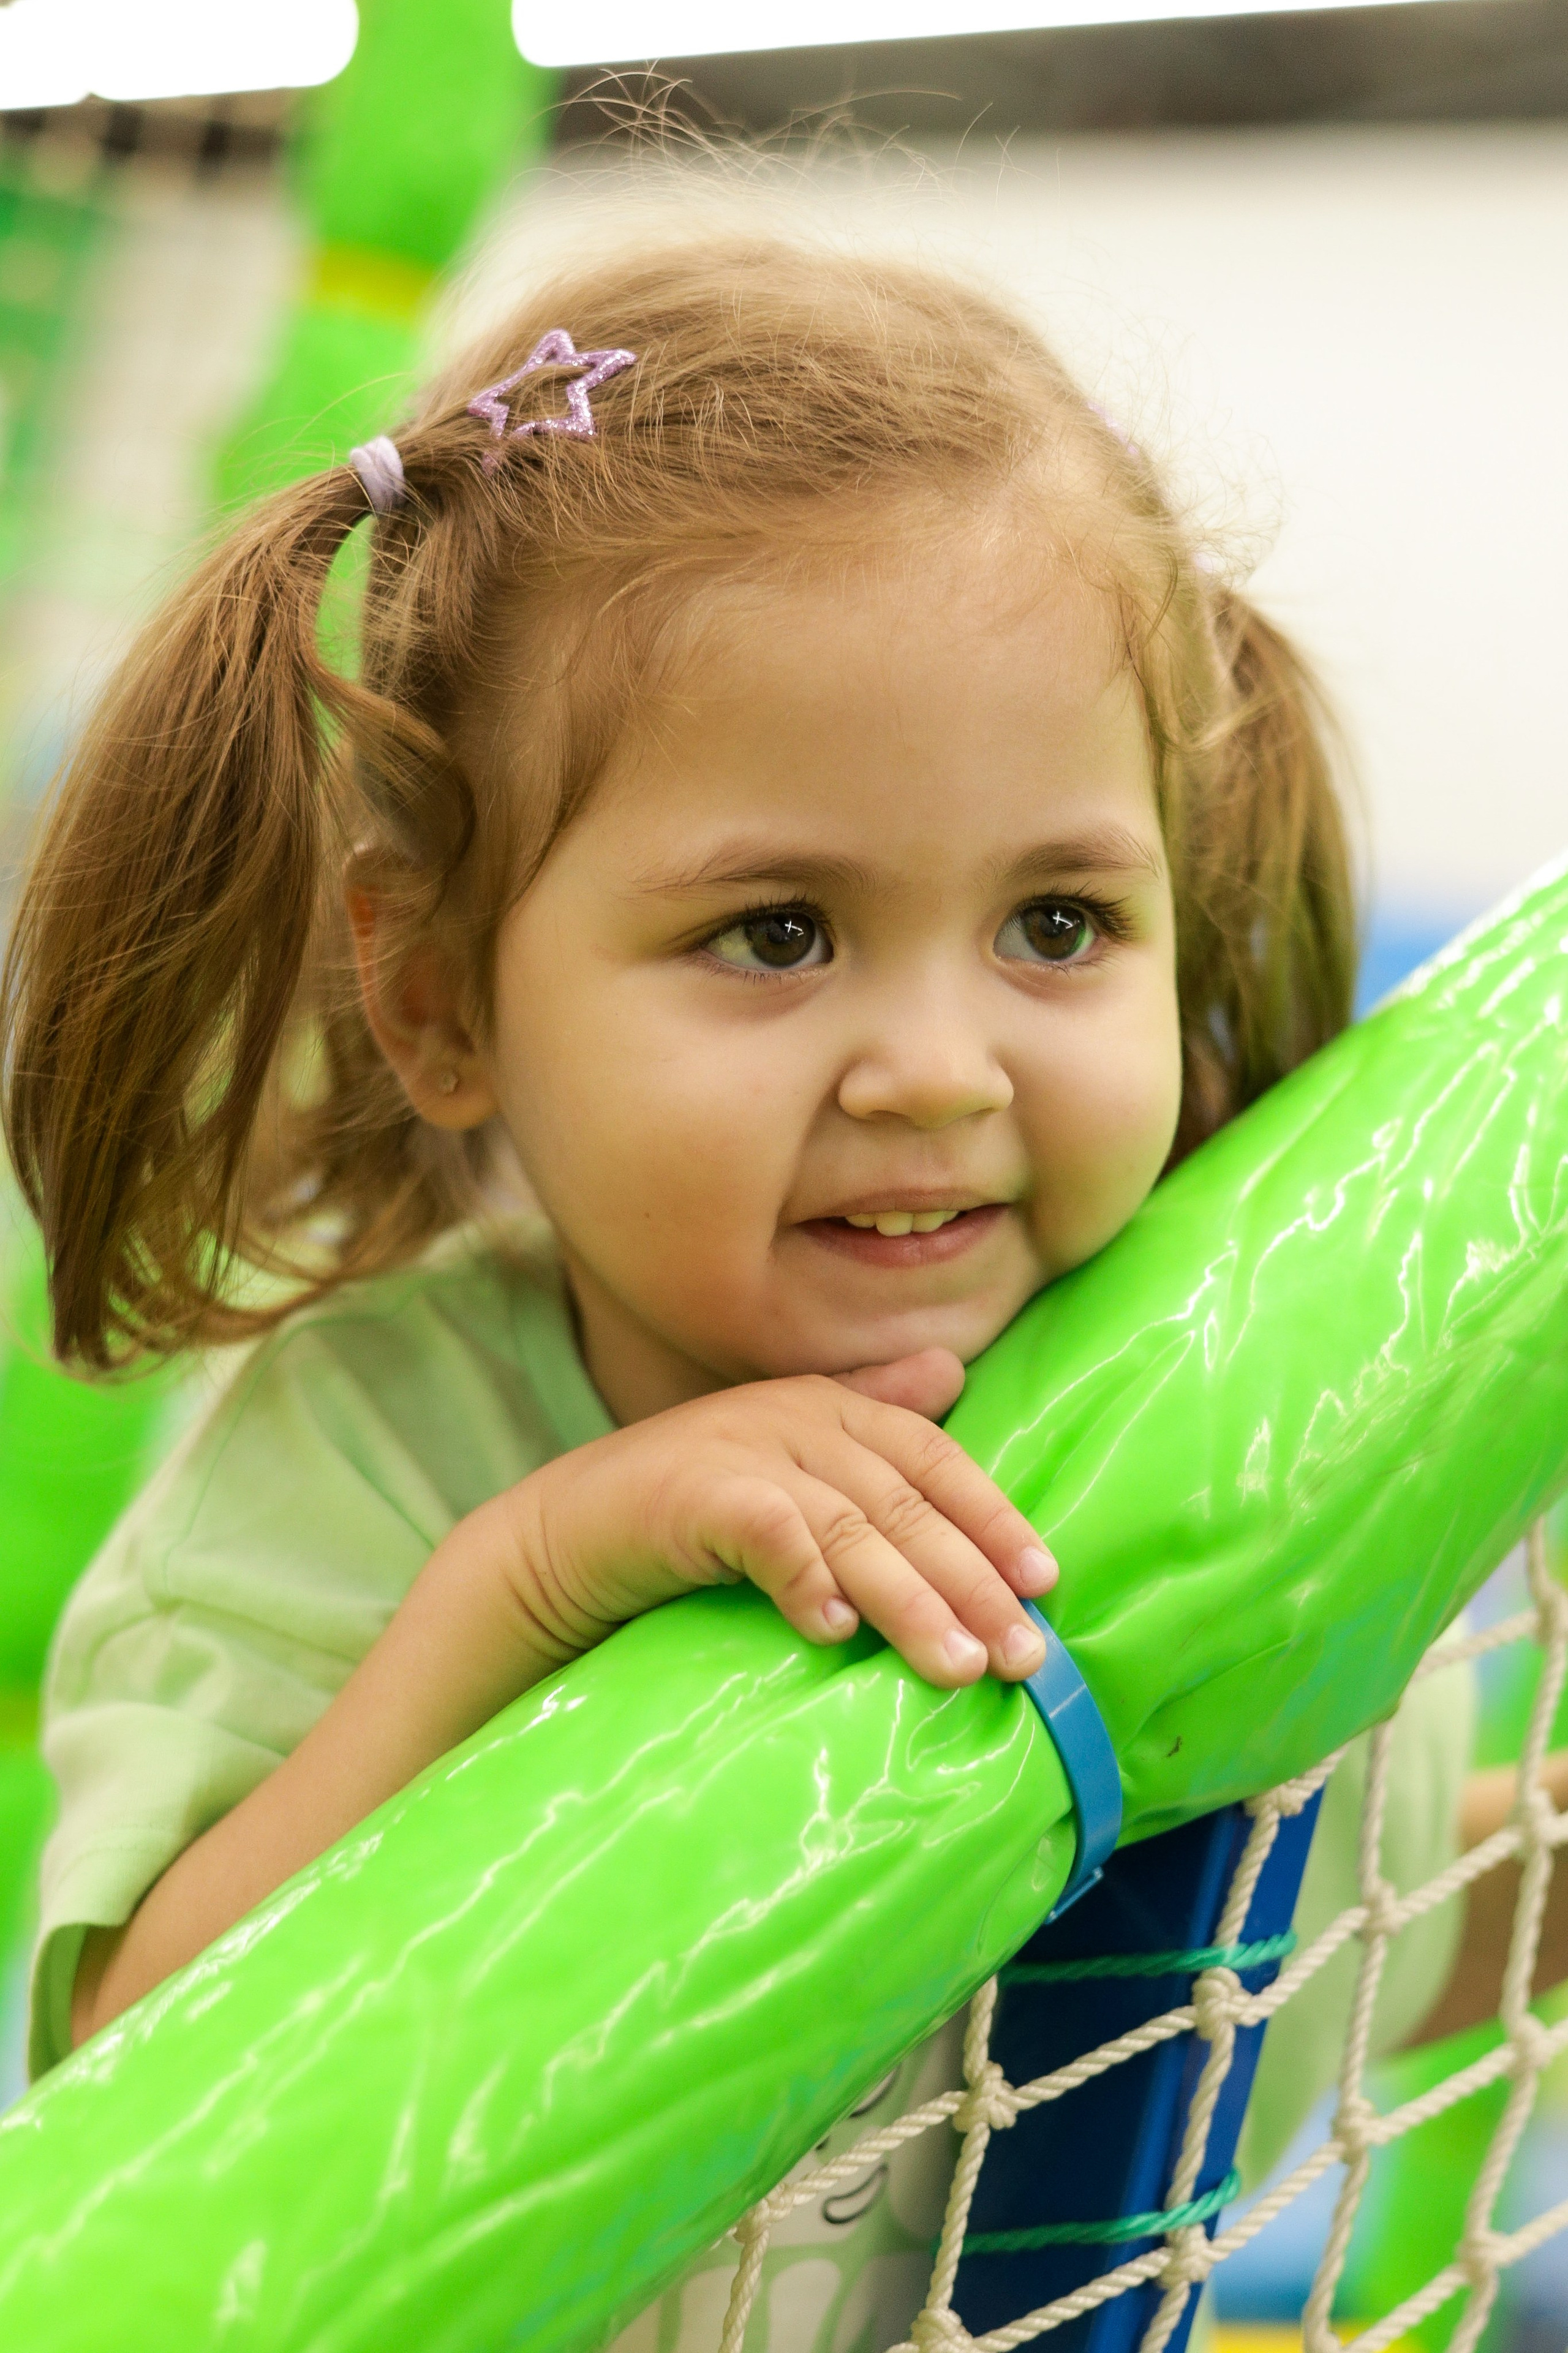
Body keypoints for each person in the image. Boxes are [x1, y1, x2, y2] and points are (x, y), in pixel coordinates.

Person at [1, 233, 1557, 2348]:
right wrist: (533, 1577)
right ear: (441, 994)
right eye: (776, 934)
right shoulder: (373, 1459)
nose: (938, 1064)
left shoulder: (1235, 1388)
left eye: (1061, 919)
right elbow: (138, 2119)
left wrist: (1516, 1876)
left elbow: (1246, 1963)